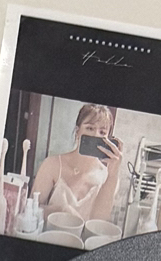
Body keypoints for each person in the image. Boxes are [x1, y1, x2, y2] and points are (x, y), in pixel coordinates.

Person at [30, 101, 125, 238]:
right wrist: (59, 210)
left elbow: (99, 222)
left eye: (102, 132)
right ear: (77, 131)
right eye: (90, 128)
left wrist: (112, 175)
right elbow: (30, 210)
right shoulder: (52, 164)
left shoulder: (108, 177)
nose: (96, 135)